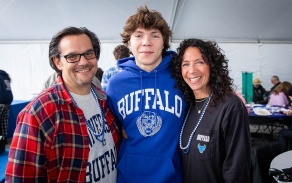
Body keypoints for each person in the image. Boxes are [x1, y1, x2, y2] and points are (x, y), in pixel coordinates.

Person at [6, 27, 121, 182]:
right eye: (72, 56)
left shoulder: (105, 101)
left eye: (89, 53)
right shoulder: (39, 112)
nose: (84, 62)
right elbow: (20, 177)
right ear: (57, 62)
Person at [106, 5, 186, 183]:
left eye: (155, 35)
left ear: (164, 42)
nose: (146, 42)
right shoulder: (116, 84)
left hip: (172, 176)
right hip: (128, 176)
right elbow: (111, 128)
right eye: (139, 35)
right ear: (128, 42)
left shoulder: (181, 78)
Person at [170, 38, 251, 183]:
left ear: (212, 66)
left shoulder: (230, 106)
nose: (192, 70)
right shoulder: (187, 106)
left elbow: (237, 170)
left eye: (199, 62)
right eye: (186, 64)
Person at [0, 70, 13, 148]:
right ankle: (3, 139)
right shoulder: (5, 76)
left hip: (1, 101)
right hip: (8, 101)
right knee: (4, 122)